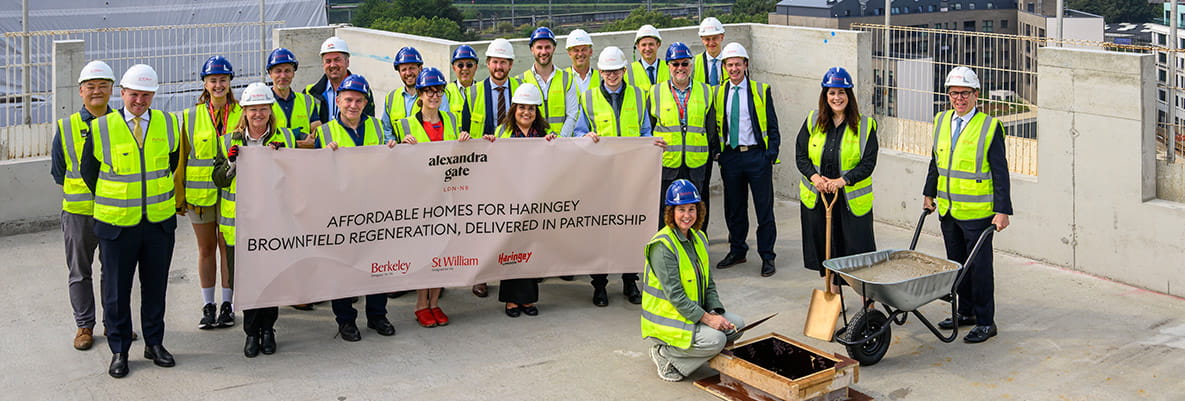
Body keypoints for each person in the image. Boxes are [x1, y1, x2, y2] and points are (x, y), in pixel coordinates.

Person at [79, 64, 181, 378]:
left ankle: (154, 343)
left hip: (158, 224)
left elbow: (171, 163)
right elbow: (89, 173)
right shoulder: (102, 127)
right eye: (134, 94)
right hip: (117, 226)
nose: (139, 100)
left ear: (153, 95)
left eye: (146, 95)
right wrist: (120, 198)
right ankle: (119, 350)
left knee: (155, 289)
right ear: (122, 93)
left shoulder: (168, 123)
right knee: (116, 292)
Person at [50, 60, 139, 350]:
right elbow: (59, 172)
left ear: (113, 89)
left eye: (103, 86)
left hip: (115, 212)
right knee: (80, 271)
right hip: (78, 214)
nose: (97, 92)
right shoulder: (66, 127)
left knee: (114, 273)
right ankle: (84, 325)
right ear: (80, 91)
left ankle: (114, 323)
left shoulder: (124, 124)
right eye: (91, 87)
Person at [925, 66, 1012, 344]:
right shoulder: (941, 120)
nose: (959, 98)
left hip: (978, 212)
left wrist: (1002, 210)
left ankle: (987, 321)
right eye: (954, 93)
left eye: (965, 93)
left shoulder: (989, 126)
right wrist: (929, 194)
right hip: (949, 210)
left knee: (980, 268)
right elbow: (935, 161)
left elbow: (1000, 171)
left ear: (976, 95)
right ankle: (966, 313)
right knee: (957, 265)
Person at [210, 82, 297, 357]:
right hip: (240, 226)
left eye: (262, 108)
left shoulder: (284, 139)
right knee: (246, 281)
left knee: (270, 279)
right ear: (244, 111)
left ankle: (268, 329)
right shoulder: (229, 141)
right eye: (252, 109)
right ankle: (251, 332)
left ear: (270, 110)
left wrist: (282, 159)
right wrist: (232, 164)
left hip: (272, 224)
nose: (257, 114)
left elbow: (296, 178)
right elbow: (218, 180)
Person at [315, 74, 400, 341]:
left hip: (374, 208)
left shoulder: (375, 127)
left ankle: (377, 315)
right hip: (341, 212)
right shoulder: (325, 133)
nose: (353, 105)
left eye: (359, 100)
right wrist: (325, 155)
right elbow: (317, 176)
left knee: (378, 264)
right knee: (343, 267)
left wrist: (391, 151)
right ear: (338, 100)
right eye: (349, 99)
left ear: (366, 103)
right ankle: (345, 320)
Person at [392, 67, 471, 327]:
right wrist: (403, 147)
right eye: (429, 91)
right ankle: (420, 304)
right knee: (425, 252)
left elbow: (459, 155)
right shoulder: (407, 125)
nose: (434, 96)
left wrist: (465, 139)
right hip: (421, 199)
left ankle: (435, 302)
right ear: (420, 95)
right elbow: (395, 159)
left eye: (438, 91)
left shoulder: (450, 120)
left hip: (447, 197)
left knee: (443, 251)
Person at [642, 179, 744, 382]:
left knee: (736, 326)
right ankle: (665, 354)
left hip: (691, 314)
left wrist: (715, 312)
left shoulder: (699, 238)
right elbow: (677, 296)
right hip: (667, 321)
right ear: (671, 212)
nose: (687, 216)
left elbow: (709, 283)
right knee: (716, 340)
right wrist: (708, 320)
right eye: (681, 210)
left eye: (692, 209)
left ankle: (692, 354)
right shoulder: (662, 247)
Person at [574, 46, 653, 306]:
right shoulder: (588, 98)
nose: (612, 75)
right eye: (607, 71)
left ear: (624, 70)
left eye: (616, 70)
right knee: (601, 231)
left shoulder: (640, 96)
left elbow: (645, 132)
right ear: (600, 72)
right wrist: (584, 137)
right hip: (601, 177)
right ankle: (600, 285)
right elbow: (578, 132)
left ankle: (630, 282)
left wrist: (652, 145)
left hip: (631, 176)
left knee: (630, 230)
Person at [796, 67, 878, 293]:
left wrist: (843, 181)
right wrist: (814, 177)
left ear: (849, 96)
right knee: (827, 248)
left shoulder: (865, 126)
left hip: (850, 201)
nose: (837, 98)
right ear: (825, 96)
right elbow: (801, 155)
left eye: (842, 93)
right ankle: (833, 294)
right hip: (820, 197)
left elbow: (868, 164)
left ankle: (867, 299)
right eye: (832, 93)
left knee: (858, 253)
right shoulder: (813, 120)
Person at [480, 83, 555, 317]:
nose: (527, 113)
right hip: (510, 201)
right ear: (514, 109)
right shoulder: (503, 133)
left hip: (534, 200)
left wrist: (555, 144)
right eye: (522, 108)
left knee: (531, 249)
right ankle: (511, 301)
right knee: (511, 251)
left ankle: (528, 300)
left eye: (531, 109)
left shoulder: (544, 135)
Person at [178, 55, 239, 330]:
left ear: (229, 82)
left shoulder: (241, 113)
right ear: (204, 83)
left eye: (222, 80)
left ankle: (227, 304)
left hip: (231, 196)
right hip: (200, 197)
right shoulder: (190, 117)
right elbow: (182, 158)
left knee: (228, 248)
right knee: (206, 249)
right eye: (213, 80)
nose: (218, 85)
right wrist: (180, 197)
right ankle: (208, 305)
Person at [713, 43, 781, 277]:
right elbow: (714, 126)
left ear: (746, 65)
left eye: (738, 64)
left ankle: (767, 256)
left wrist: (769, 154)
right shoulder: (718, 92)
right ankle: (737, 250)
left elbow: (772, 125)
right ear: (724, 67)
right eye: (729, 65)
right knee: (734, 209)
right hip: (731, 157)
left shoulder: (760, 90)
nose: (734, 68)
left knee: (764, 210)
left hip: (756, 157)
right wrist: (718, 154)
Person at [650, 43, 718, 235]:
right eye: (675, 64)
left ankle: (697, 248)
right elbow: (649, 127)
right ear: (668, 66)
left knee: (696, 210)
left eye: (684, 63)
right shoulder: (655, 92)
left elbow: (710, 127)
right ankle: (668, 251)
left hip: (696, 164)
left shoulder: (705, 91)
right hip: (667, 163)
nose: (680, 68)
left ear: (691, 64)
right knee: (667, 212)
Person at [520, 27, 579, 136]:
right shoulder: (521, 80)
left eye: (547, 47)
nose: (543, 52)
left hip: (562, 144)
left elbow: (572, 115)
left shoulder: (567, 79)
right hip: (533, 144)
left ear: (554, 48)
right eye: (539, 47)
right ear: (532, 49)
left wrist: (560, 139)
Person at [383, 47, 450, 141]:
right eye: (403, 69)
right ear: (399, 72)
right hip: (400, 153)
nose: (408, 73)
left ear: (420, 68)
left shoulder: (436, 96)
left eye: (412, 68)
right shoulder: (391, 98)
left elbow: (444, 127)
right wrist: (397, 148)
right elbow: (387, 131)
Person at [305, 37, 374, 124]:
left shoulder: (362, 90)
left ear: (347, 62)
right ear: (323, 64)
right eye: (328, 61)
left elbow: (368, 123)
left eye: (337, 60)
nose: (332, 65)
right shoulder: (310, 92)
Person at [265, 48, 322, 150]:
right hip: (274, 160)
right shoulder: (263, 103)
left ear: (293, 73)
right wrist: (298, 144)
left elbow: (316, 132)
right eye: (278, 71)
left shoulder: (307, 101)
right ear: (270, 73)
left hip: (302, 160)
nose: (283, 76)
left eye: (287, 71)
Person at [468, 38, 520, 137]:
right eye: (495, 62)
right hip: (484, 149)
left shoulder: (520, 88)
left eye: (503, 62)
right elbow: (465, 129)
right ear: (488, 63)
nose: (498, 67)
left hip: (514, 147)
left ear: (510, 65)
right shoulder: (473, 92)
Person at [445, 45, 480, 140]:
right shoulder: (445, 92)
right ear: (453, 68)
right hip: (453, 148)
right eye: (460, 65)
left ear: (476, 67)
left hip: (479, 148)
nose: (465, 68)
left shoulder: (483, 91)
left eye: (469, 65)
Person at [626, 25, 668, 94]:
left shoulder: (669, 67)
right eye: (644, 45)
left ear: (658, 44)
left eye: (651, 44)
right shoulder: (628, 72)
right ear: (638, 46)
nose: (647, 48)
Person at [693, 17, 727, 87]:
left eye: (715, 38)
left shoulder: (731, 61)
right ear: (702, 39)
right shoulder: (694, 62)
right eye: (707, 39)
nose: (711, 43)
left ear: (722, 37)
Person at [564, 29, 599, 94]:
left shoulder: (601, 78)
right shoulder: (562, 78)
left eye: (584, 50)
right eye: (576, 50)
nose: (580, 54)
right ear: (569, 53)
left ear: (590, 52)